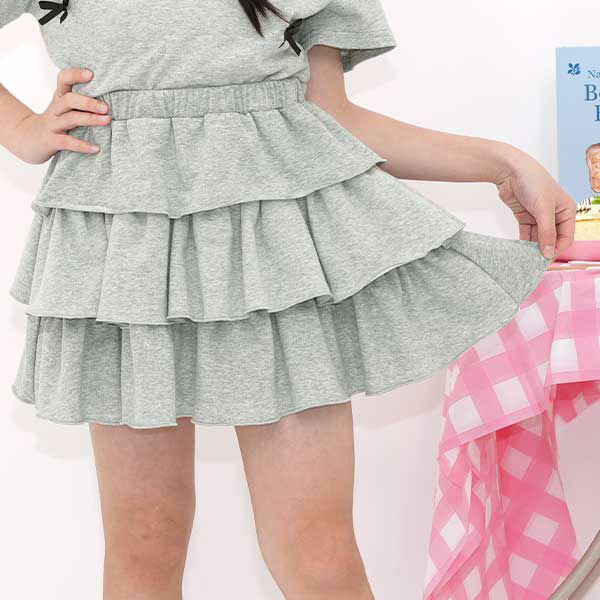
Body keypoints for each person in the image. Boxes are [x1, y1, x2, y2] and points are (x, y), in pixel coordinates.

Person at [0, 1, 575, 598]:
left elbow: (328, 115)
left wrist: (503, 162)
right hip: (127, 252)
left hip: (273, 260)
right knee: (147, 538)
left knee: (316, 553)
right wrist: (20, 131)